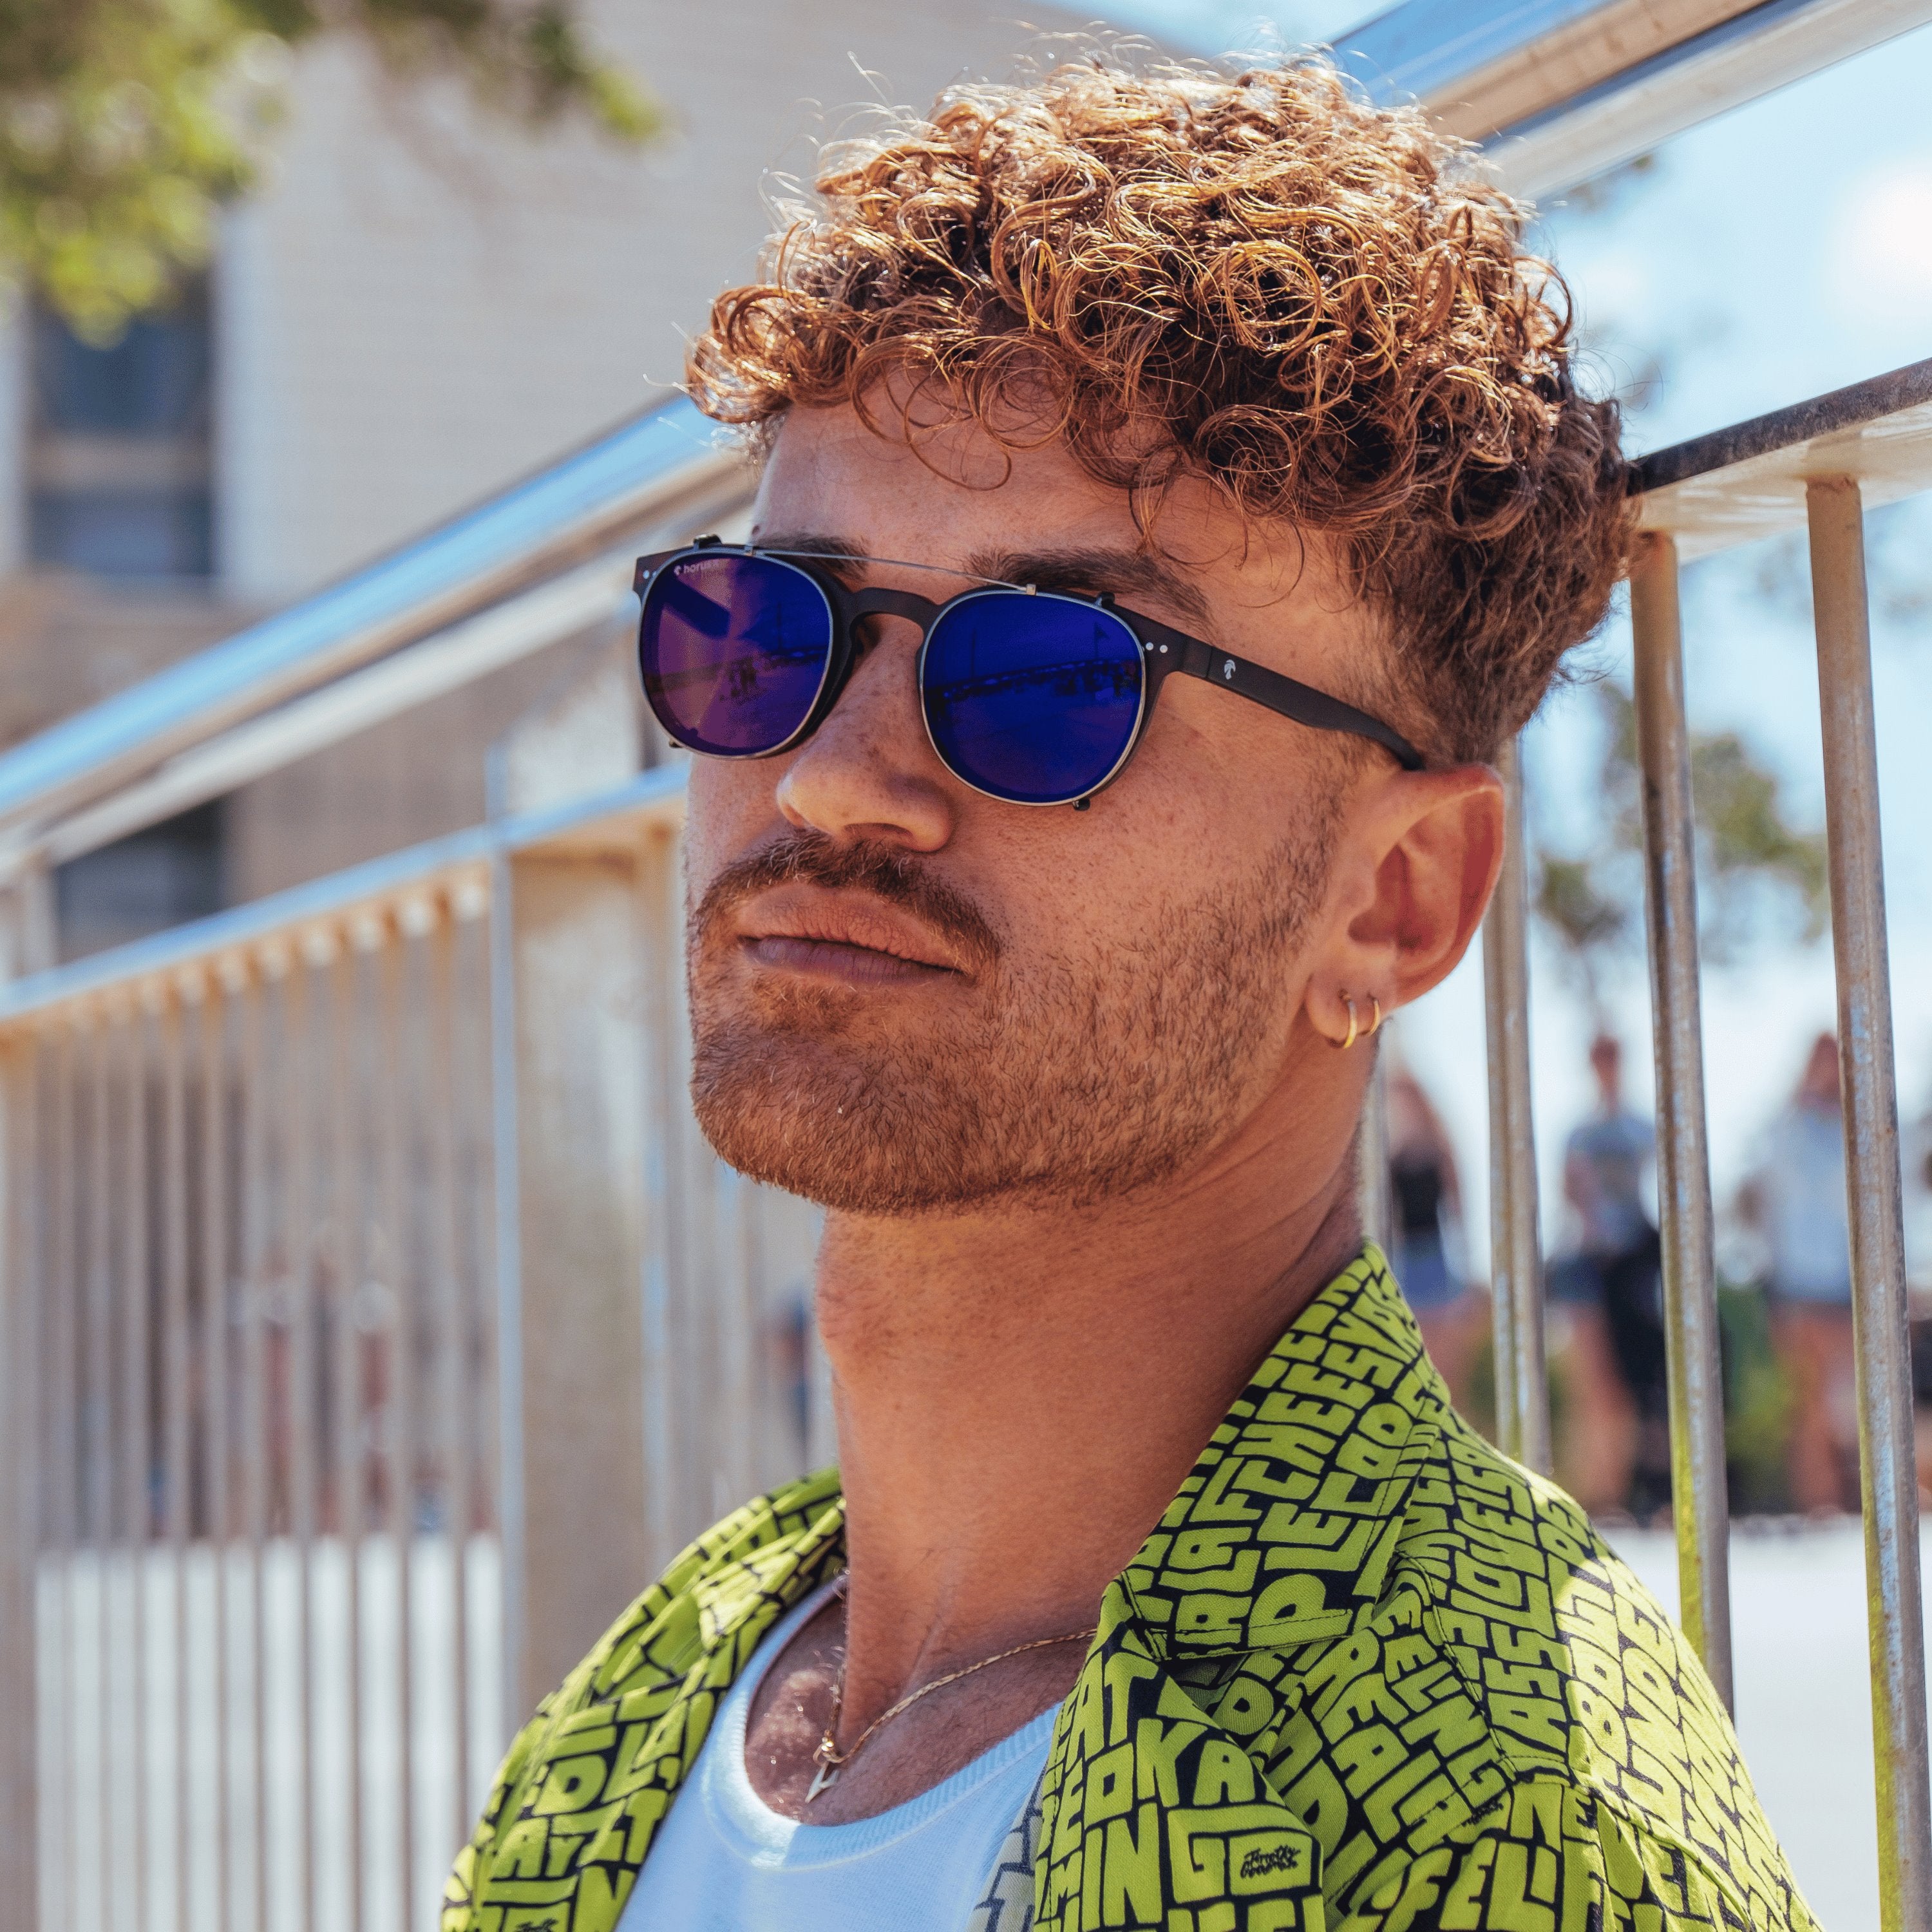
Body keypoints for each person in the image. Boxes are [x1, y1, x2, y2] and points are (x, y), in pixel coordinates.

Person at [443, 52, 1814, 1932]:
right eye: (762, 631)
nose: (831, 778)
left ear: (1396, 899)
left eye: (1044, 678)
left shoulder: (1489, 1826)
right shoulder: (665, 1685)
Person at [1551, 1034, 1669, 1519]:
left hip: (1632, 1269)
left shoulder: (1642, 1127)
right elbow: (1568, 1193)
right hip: (1588, 1265)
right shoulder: (1578, 1132)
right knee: (1592, 1385)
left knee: (1633, 1387)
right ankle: (1593, 1497)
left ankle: (1619, 1495)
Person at [1741, 1033, 1856, 1515]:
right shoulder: (1785, 1126)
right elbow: (1759, 1192)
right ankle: (1817, 1499)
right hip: (1795, 1280)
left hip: (1844, 1280)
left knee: (1846, 1397)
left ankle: (1846, 1494)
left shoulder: (1853, 1125)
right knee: (1807, 1396)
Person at [1385, 1065, 1479, 1411]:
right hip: (1403, 1263)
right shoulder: (1388, 1156)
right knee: (1410, 1363)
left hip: (1435, 1260)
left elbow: (1457, 1208)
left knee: (1445, 1366)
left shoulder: (1439, 1152)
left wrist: (1466, 1268)